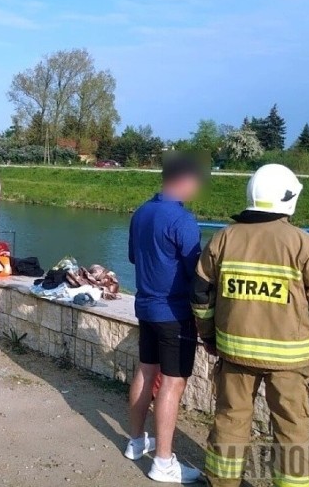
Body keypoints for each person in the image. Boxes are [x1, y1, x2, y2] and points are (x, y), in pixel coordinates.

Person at [192, 164, 309, 487]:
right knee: (292, 430)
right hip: (290, 361)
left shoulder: (224, 238)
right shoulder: (302, 244)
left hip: (235, 354)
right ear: (287, 199)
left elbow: (200, 292)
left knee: (230, 423)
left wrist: (207, 336)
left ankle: (221, 482)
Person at [124, 153, 206, 484]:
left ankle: (136, 441)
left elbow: (132, 256)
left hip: (145, 306)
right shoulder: (182, 220)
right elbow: (197, 272)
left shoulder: (142, 212)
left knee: (145, 371)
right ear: (185, 180)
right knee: (172, 383)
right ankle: (163, 462)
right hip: (174, 313)